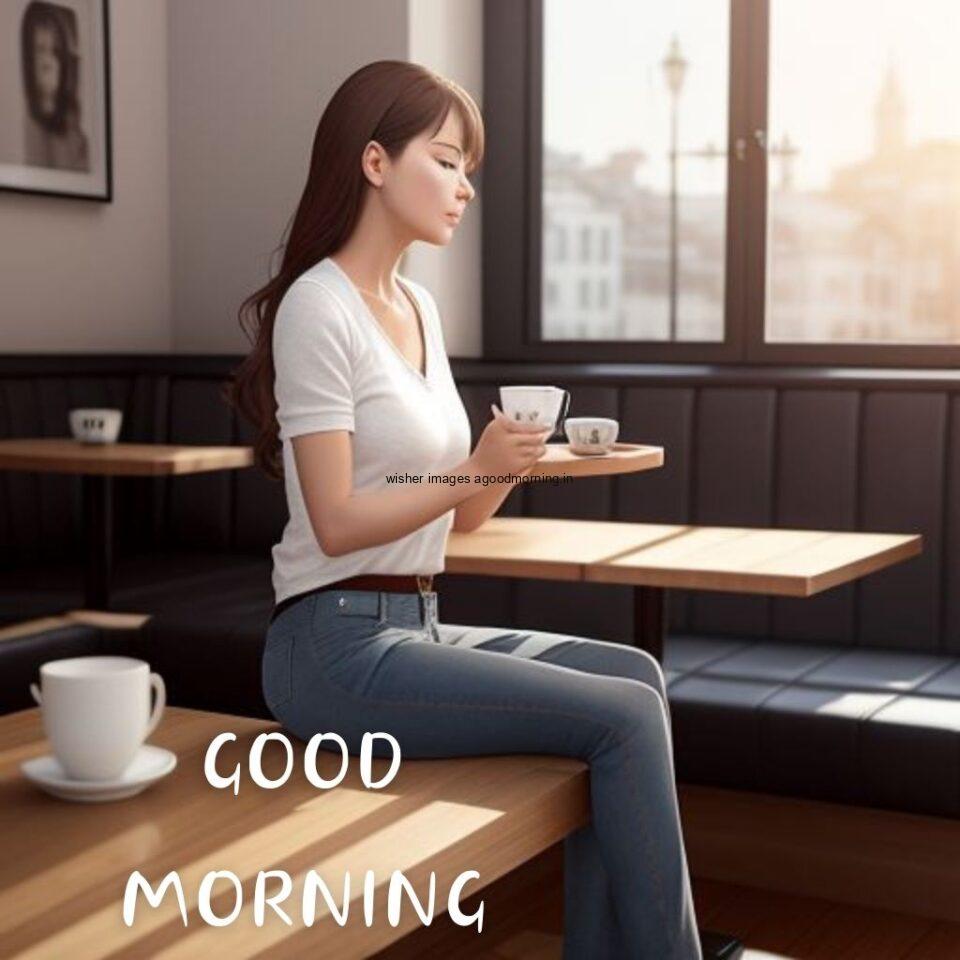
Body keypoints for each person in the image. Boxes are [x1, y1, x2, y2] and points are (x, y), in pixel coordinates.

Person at [229, 59, 720, 959]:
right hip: (328, 648)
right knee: (627, 719)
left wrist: (507, 463)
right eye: (448, 160)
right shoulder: (317, 307)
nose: (463, 187)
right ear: (375, 162)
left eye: (469, 171)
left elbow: (462, 522)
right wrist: (471, 470)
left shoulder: (418, 306)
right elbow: (336, 518)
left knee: (638, 679)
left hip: (415, 624)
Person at [20, 0, 90, 172]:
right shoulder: (32, 120)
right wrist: (47, 100)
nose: (48, 62)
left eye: (55, 52)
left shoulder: (75, 113)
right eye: (40, 50)